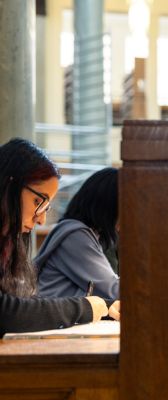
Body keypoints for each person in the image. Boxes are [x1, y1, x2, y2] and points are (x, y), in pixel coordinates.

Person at [0, 138, 118, 335]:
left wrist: (103, 306)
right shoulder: (76, 235)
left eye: (46, 206)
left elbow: (22, 301)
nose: (42, 219)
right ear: (8, 184)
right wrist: (86, 307)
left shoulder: (9, 244)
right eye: (39, 201)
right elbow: (6, 311)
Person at [36, 168, 120, 300]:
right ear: (109, 207)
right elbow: (113, 290)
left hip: (62, 316)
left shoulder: (90, 234)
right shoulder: (75, 236)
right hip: (53, 318)